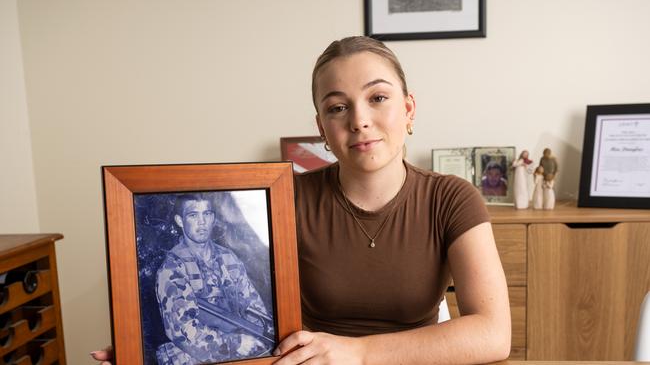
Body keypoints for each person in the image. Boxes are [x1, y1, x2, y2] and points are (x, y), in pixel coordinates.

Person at [92, 36, 511, 364]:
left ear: (409, 108)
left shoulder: (452, 198)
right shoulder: (283, 201)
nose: (359, 120)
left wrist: (360, 355)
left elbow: (493, 334)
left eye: (377, 98)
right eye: (337, 108)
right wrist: (145, 349)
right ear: (322, 129)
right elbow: (240, 308)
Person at [154, 193, 273, 364]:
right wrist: (236, 344)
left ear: (213, 218)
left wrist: (260, 336)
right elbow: (183, 331)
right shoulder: (172, 268)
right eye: (193, 215)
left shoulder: (229, 258)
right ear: (180, 221)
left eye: (207, 214)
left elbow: (254, 309)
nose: (202, 222)